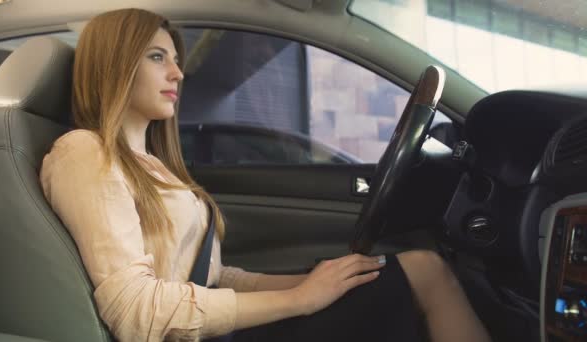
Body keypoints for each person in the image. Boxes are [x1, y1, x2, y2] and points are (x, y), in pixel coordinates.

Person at [40, 8, 492, 342]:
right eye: (158, 57)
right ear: (115, 65)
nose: (178, 72)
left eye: (175, 58)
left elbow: (214, 279)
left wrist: (314, 281)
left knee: (410, 268)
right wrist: (300, 300)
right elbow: (135, 310)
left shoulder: (154, 166)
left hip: (215, 328)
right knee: (424, 269)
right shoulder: (84, 151)